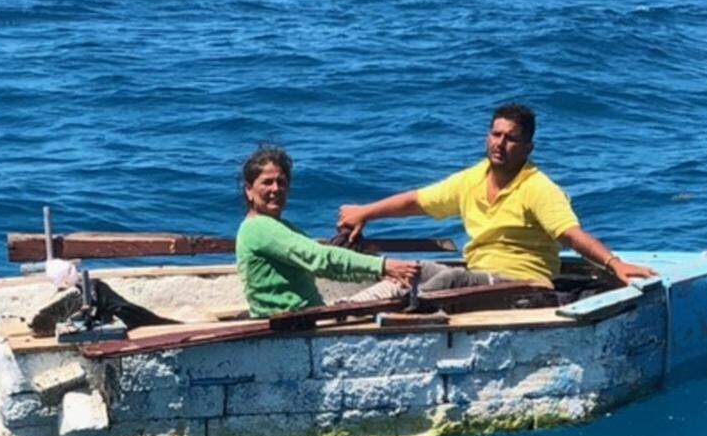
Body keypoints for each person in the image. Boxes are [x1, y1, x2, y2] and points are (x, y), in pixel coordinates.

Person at [337, 103, 656, 299]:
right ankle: (347, 310)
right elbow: (418, 202)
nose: (500, 144)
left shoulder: (538, 188)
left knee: (451, 278)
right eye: (495, 134)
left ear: (527, 147)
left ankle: (390, 314)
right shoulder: (471, 179)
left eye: (511, 138)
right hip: (481, 276)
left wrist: (614, 264)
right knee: (409, 270)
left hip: (523, 283)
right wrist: (365, 212)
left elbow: (571, 234)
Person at [236, 146, 419, 318]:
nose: (276, 189)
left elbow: (327, 270)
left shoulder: (281, 226)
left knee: (406, 281)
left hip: (311, 316)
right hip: (296, 323)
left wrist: (378, 274)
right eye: (267, 182)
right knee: (422, 283)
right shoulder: (258, 227)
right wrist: (382, 265)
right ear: (249, 190)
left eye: (281, 182)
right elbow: (320, 258)